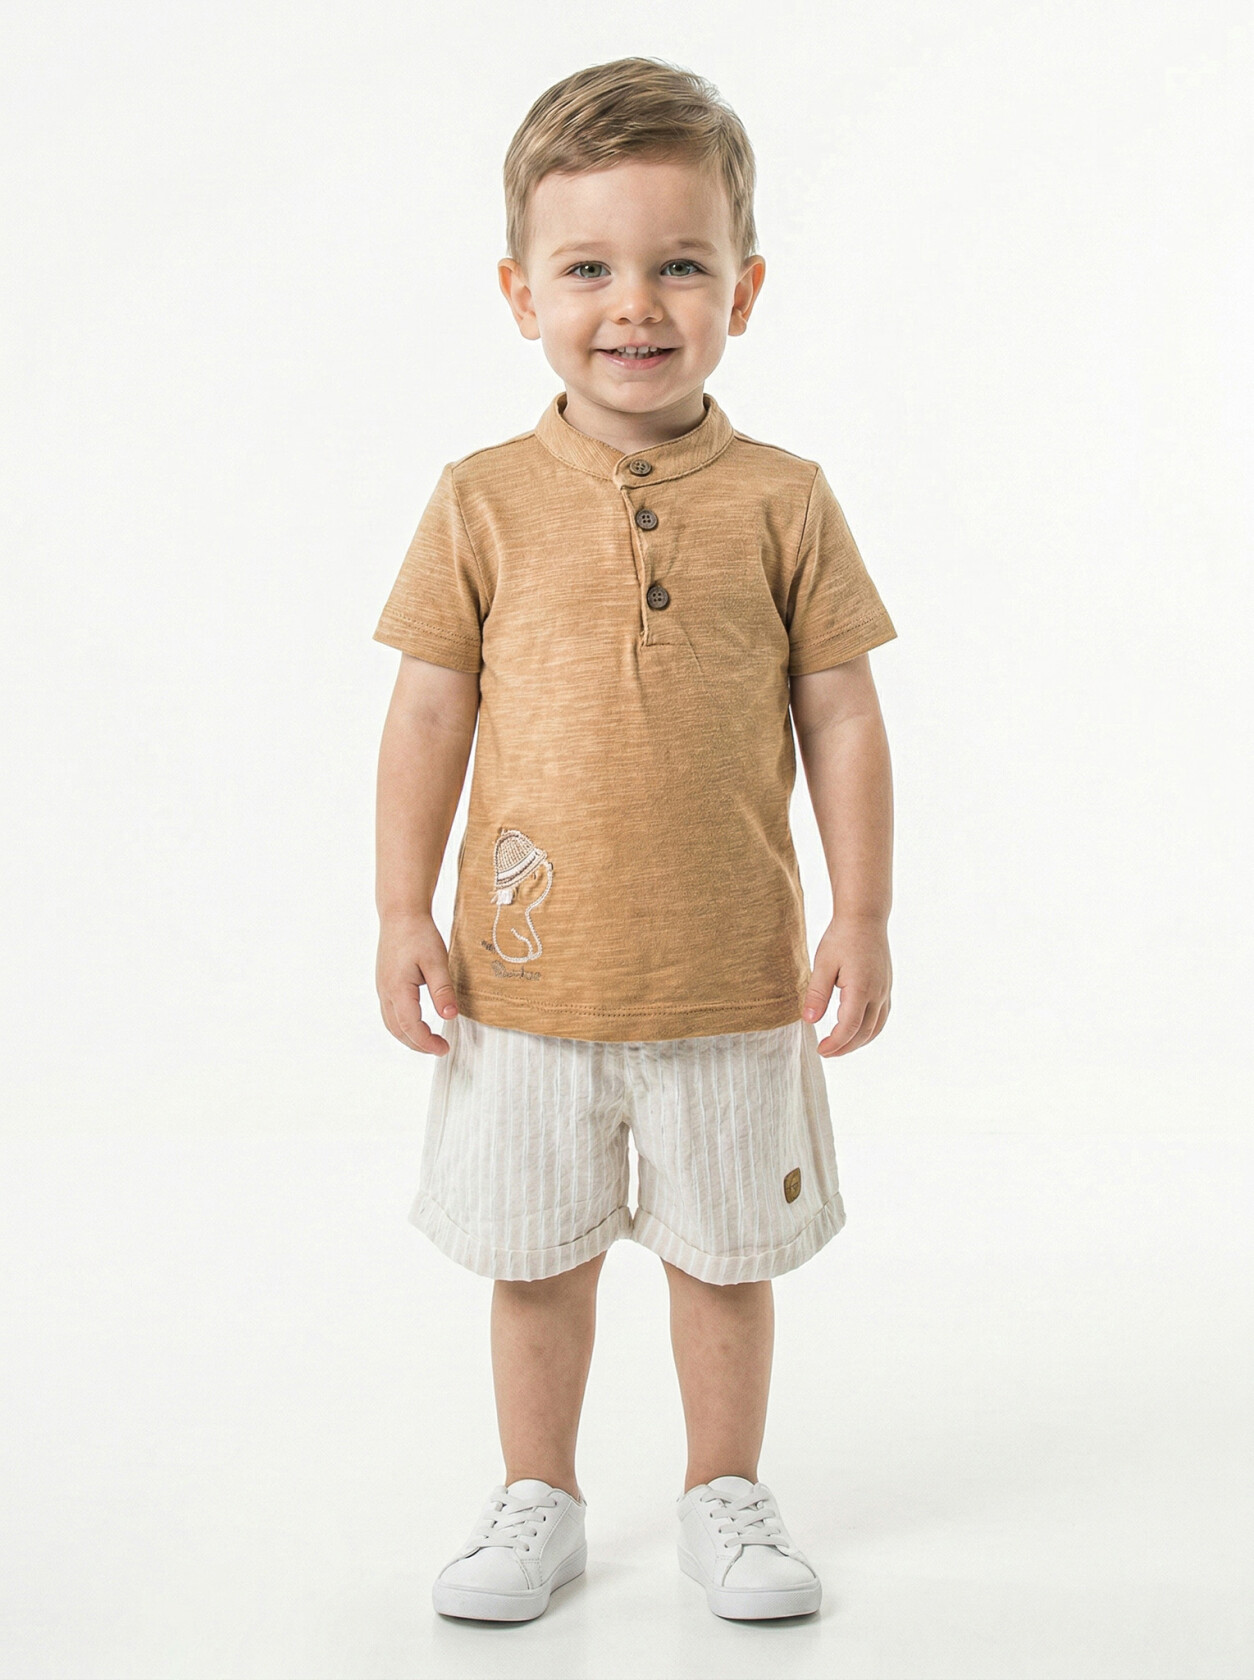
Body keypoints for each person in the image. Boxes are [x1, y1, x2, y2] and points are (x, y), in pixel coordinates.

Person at [372, 56, 897, 1625]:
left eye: (677, 265)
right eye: (588, 269)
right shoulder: (479, 501)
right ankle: (536, 1495)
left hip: (732, 977)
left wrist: (861, 915)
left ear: (743, 287)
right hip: (525, 983)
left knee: (723, 1259)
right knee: (533, 1259)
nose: (634, 306)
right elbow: (425, 715)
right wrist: (400, 908)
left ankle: (721, 1493)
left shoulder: (787, 501)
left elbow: (842, 715)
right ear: (519, 292)